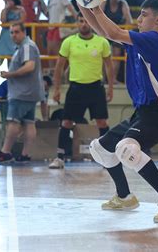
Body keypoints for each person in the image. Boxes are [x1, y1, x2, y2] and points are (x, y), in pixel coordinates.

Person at [78, 0, 158, 223]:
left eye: (143, 15)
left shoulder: (154, 39)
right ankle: (124, 196)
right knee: (100, 148)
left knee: (126, 149)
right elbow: (105, 32)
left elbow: (114, 32)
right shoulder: (139, 41)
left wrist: (96, 8)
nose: (138, 19)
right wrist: (84, 6)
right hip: (141, 114)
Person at [48, 13, 114, 169]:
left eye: (86, 21)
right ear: (77, 23)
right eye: (81, 21)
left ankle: (107, 158)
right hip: (76, 88)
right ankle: (59, 158)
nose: (84, 24)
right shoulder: (69, 42)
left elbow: (109, 67)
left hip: (95, 88)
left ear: (91, 23)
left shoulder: (102, 42)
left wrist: (110, 88)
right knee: (66, 122)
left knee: (102, 122)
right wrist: (56, 89)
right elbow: (59, 67)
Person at [0, 23, 44, 164]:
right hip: (29, 92)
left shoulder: (27, 47)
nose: (13, 35)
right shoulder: (24, 46)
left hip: (22, 93)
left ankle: (5, 152)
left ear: (24, 32)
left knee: (13, 122)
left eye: (16, 32)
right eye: (11, 32)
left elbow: (29, 66)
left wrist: (10, 74)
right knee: (29, 123)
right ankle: (26, 154)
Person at [100, 0, 133, 84]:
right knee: (102, 54)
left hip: (117, 32)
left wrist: (124, 32)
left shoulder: (123, 4)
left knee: (117, 54)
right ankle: (101, 77)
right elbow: (98, 16)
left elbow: (129, 20)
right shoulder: (105, 3)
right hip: (105, 31)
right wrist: (101, 32)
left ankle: (112, 78)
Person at [45, 0, 76, 69]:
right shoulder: (50, 0)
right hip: (50, 27)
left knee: (57, 52)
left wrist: (77, 20)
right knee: (49, 52)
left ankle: (59, 73)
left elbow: (71, 9)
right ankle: (52, 72)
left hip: (58, 28)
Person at [0, 0, 26, 66]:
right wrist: (6, 10)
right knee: (8, 55)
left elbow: (22, 20)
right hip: (7, 33)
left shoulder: (21, 10)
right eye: (8, 1)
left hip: (17, 31)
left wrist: (12, 23)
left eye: (11, 0)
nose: (9, 2)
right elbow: (3, 21)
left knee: (17, 52)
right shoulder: (4, 10)